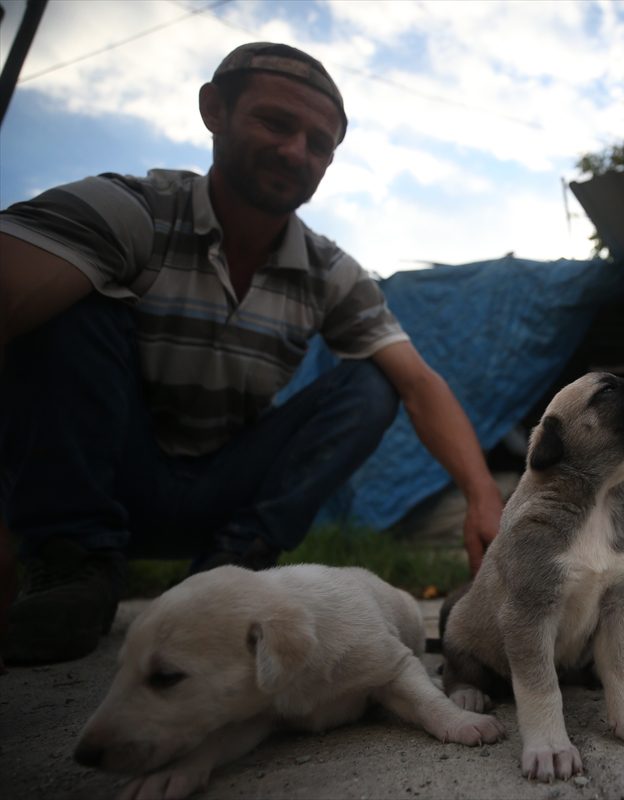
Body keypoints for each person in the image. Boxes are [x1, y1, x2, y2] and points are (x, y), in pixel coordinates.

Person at [0, 42, 504, 665]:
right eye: (276, 123)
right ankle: (73, 561)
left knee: (373, 382)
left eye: (320, 145)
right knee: (72, 300)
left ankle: (231, 569)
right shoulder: (131, 212)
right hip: (107, 473)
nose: (296, 152)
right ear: (215, 110)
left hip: (220, 487)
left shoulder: (329, 272)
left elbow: (420, 385)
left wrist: (484, 498)